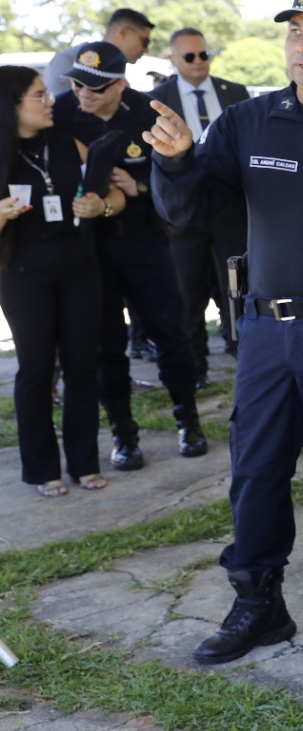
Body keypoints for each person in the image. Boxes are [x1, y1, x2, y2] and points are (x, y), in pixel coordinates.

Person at [146, 0, 303, 675]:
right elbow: (189, 210)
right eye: (295, 35)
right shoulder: (249, 121)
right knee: (254, 472)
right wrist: (173, 161)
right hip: (262, 331)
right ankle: (258, 602)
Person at [56, 43, 207, 470]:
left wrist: (137, 185)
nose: (83, 92)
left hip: (144, 240)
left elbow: (181, 174)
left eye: (94, 87)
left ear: (120, 84)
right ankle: (123, 434)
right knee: (106, 345)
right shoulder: (62, 113)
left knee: (170, 332)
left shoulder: (147, 112)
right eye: (77, 83)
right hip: (89, 247)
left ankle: (188, 421)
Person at [0, 67, 122, 496]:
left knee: (82, 367)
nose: (48, 101)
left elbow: (116, 193)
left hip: (80, 268)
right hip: (22, 274)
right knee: (35, 370)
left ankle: (84, 462)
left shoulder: (66, 140)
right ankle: (42, 470)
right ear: (12, 104)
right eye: (38, 95)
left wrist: (101, 207)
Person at [151, 27, 249, 383]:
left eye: (203, 54)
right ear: (173, 60)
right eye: (189, 56)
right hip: (185, 217)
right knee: (187, 293)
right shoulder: (156, 98)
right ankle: (194, 369)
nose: (198, 62)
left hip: (229, 210)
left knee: (235, 288)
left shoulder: (234, 93)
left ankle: (243, 353)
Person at [44, 8, 154, 96]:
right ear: (123, 32)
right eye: (145, 41)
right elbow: (58, 112)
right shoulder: (67, 60)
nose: (146, 49)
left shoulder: (118, 73)